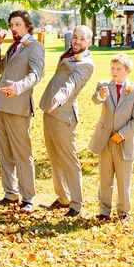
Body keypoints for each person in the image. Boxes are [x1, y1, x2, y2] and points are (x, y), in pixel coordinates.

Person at [0, 10, 45, 212]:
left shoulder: (35, 47)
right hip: (1, 106)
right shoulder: (13, 47)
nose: (14, 29)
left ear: (27, 26)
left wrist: (19, 87)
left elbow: (36, 75)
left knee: (22, 154)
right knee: (5, 153)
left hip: (18, 108)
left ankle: (28, 197)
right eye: (11, 25)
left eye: (18, 25)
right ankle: (10, 193)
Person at [39, 25, 95, 217]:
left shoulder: (86, 64)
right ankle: (63, 198)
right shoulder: (70, 52)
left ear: (89, 42)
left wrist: (60, 97)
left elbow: (72, 84)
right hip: (49, 110)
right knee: (54, 158)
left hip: (64, 115)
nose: (77, 42)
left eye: (82, 39)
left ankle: (76, 204)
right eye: (75, 37)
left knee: (69, 160)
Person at [89, 54, 134, 221]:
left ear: (127, 71)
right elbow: (95, 100)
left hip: (123, 142)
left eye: (119, 69)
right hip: (105, 140)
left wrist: (121, 135)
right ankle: (104, 210)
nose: (114, 72)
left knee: (123, 179)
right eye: (112, 68)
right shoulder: (104, 86)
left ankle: (123, 211)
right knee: (105, 178)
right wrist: (101, 96)